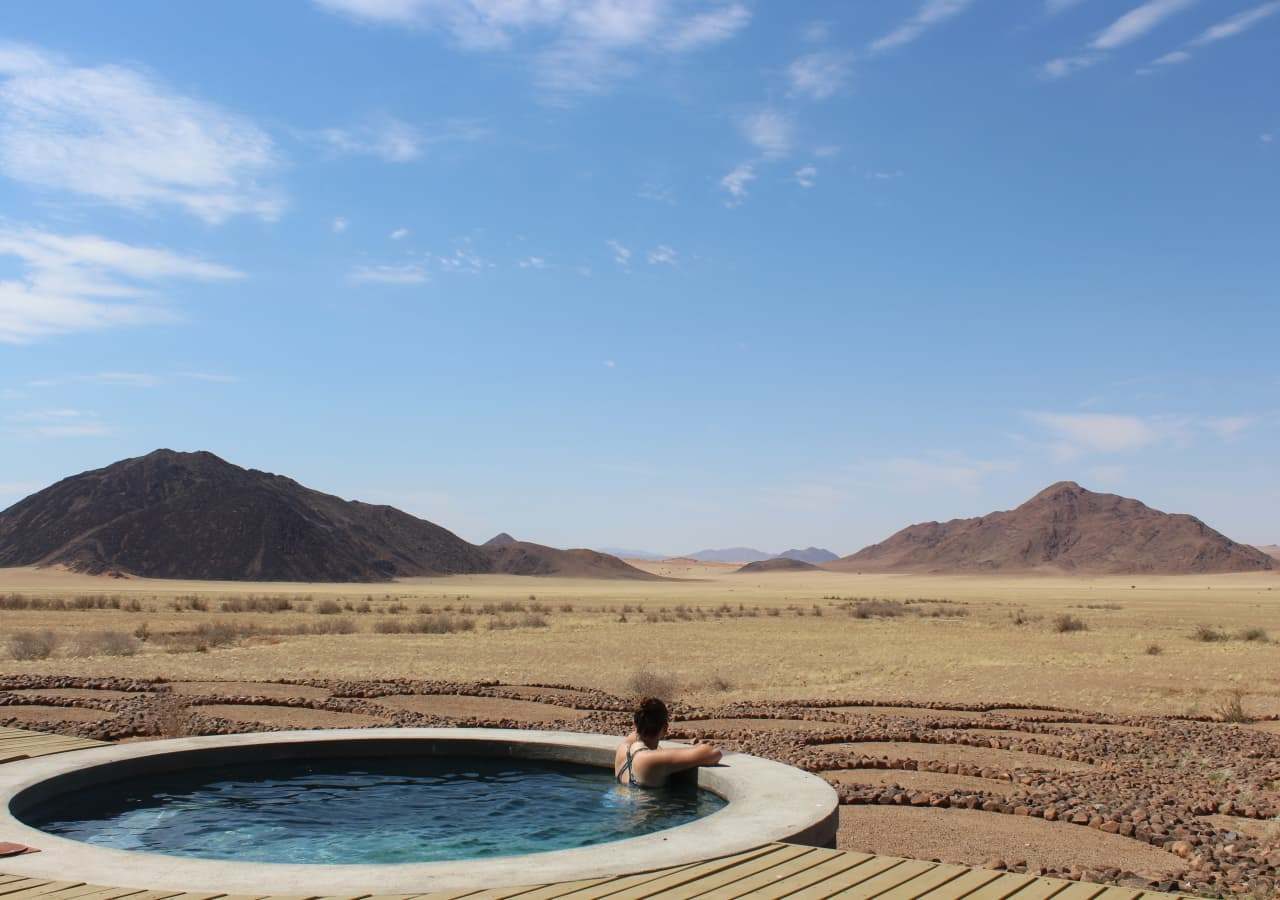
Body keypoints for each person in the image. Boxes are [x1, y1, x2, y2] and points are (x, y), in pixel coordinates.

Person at [614, 697, 722, 787]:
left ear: (635, 724)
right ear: (665, 728)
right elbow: (713, 753)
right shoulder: (650, 759)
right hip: (645, 811)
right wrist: (694, 748)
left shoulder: (622, 749)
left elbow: (635, 736)